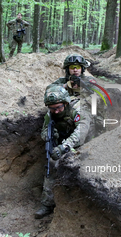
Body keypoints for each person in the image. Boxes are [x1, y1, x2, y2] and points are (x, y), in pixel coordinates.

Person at [34, 86, 91, 219]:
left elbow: (81, 133)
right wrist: (48, 136)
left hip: (88, 144)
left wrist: (63, 148)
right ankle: (47, 204)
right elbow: (44, 130)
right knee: (52, 164)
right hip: (66, 144)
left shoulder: (78, 110)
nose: (56, 111)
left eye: (59, 107)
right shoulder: (51, 114)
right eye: (52, 108)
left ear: (66, 103)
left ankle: (81, 207)